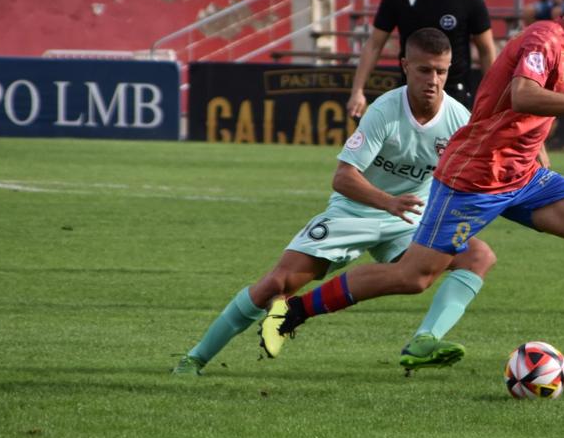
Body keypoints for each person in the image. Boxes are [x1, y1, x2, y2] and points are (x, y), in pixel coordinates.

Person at [263, 0, 564, 386]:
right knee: (413, 277)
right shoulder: (544, 40)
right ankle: (292, 311)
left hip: (524, 174)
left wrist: (539, 152)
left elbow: (528, 115)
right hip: (475, 176)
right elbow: (523, 95)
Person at [173, 28, 494, 375]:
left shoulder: (459, 119)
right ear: (405, 66)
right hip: (356, 212)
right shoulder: (385, 111)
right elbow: (343, 177)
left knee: (477, 256)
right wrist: (387, 202)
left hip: (408, 220)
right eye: (424, 70)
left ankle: (425, 339)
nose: (433, 80)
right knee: (277, 283)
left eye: (441, 71)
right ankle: (195, 358)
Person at [347, 0, 496, 116]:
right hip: (409, 94)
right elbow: (374, 45)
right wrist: (357, 91)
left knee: (452, 147)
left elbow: (486, 50)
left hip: (455, 94)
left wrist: (495, 96)